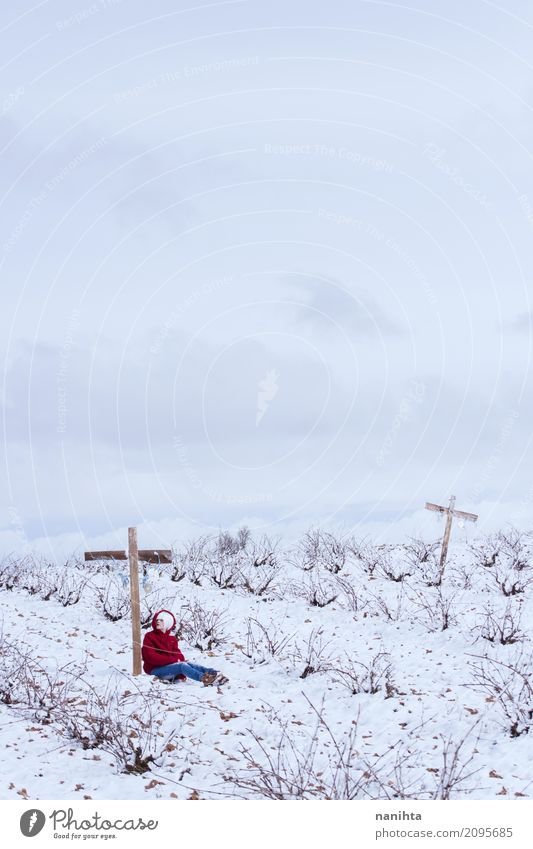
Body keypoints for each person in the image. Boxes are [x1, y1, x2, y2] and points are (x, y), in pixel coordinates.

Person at [142, 609, 228, 686]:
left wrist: (176, 660)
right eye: (157, 619)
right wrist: (173, 660)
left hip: (169, 668)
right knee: (182, 666)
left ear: (168, 622)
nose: (158, 621)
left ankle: (212, 672)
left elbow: (178, 655)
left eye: (161, 620)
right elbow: (151, 657)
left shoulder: (171, 639)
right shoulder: (149, 636)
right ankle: (205, 679)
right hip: (154, 670)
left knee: (188, 664)